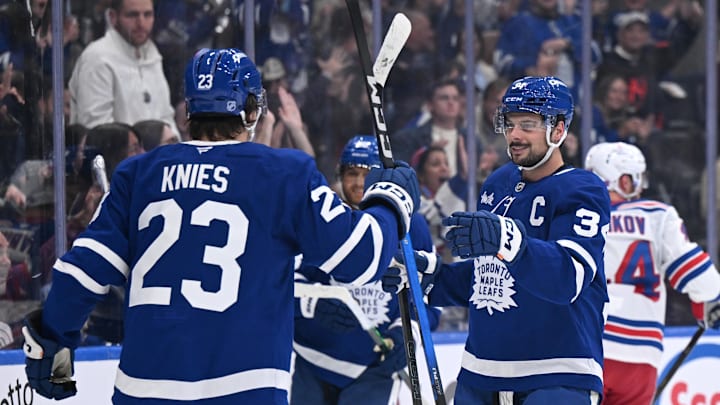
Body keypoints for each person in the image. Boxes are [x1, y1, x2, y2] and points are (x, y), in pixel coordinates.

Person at [20, 47, 420, 404]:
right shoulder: (283, 173)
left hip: (144, 391)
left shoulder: (138, 175)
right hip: (245, 390)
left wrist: (51, 344)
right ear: (251, 111)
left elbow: (81, 274)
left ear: (189, 109)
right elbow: (358, 258)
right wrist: (390, 200)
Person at [383, 76, 611, 403]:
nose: (515, 135)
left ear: (558, 130)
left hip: (556, 373)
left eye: (528, 124)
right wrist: (431, 277)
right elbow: (489, 279)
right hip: (482, 372)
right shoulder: (498, 183)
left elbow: (567, 279)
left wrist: (509, 240)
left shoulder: (582, 189)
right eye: (510, 123)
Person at [292, 135, 437, 405]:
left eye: (368, 174)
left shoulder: (411, 226)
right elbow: (288, 278)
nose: (359, 183)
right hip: (311, 358)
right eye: (352, 173)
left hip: (373, 369)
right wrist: (315, 304)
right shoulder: (324, 214)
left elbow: (428, 296)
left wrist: (406, 335)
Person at [584, 142, 720, 405]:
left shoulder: (576, 217)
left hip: (585, 346)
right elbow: (701, 279)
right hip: (639, 356)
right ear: (623, 181)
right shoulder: (657, 216)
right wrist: (709, 302)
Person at [68, 0, 179, 137]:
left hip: (157, 157)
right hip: (119, 157)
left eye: (147, 15)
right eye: (132, 15)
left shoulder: (152, 55)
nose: (141, 23)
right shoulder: (97, 58)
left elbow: (166, 117)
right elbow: (97, 130)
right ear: (113, 17)